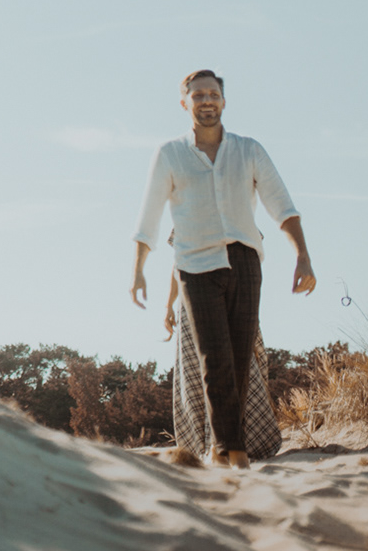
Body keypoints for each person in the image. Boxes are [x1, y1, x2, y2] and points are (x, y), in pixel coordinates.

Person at [132, 69, 316, 468]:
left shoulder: (249, 150)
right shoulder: (170, 154)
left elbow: (282, 205)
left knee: (239, 360)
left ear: (224, 101)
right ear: (185, 103)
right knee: (214, 360)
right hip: (195, 266)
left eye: (213, 94)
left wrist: (302, 254)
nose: (206, 101)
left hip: (244, 261)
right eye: (198, 95)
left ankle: (228, 449)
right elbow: (149, 216)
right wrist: (139, 269)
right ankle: (232, 453)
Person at [162, 245, 281, 459]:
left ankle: (240, 443)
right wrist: (168, 305)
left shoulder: (240, 223)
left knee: (241, 367)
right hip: (195, 297)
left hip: (233, 293)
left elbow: (250, 253)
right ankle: (211, 446)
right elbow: (179, 260)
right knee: (201, 369)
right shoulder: (188, 222)